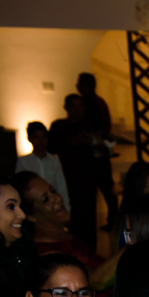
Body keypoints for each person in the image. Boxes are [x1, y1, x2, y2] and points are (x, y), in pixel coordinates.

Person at [13, 172, 121, 297]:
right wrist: (134, 241)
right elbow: (96, 281)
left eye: (53, 191)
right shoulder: (47, 254)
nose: (57, 198)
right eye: (46, 200)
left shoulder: (64, 235)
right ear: (30, 216)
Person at [48, 94, 109, 249]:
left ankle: (89, 251)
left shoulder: (90, 126)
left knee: (89, 217)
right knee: (68, 215)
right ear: (66, 107)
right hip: (67, 178)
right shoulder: (59, 126)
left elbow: (101, 152)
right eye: (73, 105)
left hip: (88, 178)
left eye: (79, 105)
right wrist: (70, 143)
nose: (77, 109)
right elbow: (51, 148)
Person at [76, 73, 118, 231]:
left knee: (104, 188)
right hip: (99, 152)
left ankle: (111, 219)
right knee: (106, 188)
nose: (78, 86)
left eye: (80, 83)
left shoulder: (91, 103)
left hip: (95, 153)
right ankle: (112, 218)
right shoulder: (97, 102)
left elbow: (99, 128)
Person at [15, 122, 72, 215]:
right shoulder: (23, 161)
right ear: (29, 138)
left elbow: (61, 187)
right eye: (36, 137)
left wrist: (67, 210)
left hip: (52, 206)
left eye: (43, 137)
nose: (41, 141)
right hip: (33, 208)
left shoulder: (54, 160)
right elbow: (19, 188)